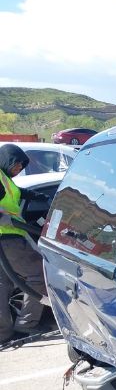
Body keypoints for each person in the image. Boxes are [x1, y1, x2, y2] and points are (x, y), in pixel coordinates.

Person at [0, 143, 49, 343]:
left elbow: (18, 192)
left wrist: (39, 196)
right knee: (40, 275)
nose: (19, 170)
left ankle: (3, 333)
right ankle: (26, 324)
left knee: (3, 284)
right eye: (17, 165)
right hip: (8, 238)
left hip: (7, 237)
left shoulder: (5, 179)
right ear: (8, 159)